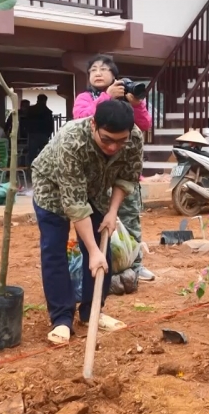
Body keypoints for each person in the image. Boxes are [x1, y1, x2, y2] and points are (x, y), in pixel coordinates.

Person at [32, 100, 144, 344]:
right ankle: (61, 318)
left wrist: (112, 212)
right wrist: (92, 250)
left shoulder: (134, 138)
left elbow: (126, 178)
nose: (114, 147)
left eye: (120, 141)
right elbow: (74, 202)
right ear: (93, 124)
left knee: (103, 251)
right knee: (54, 249)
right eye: (106, 140)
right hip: (51, 188)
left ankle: (92, 312)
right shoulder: (71, 139)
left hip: (95, 190)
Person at [72, 55, 156, 282]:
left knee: (130, 219)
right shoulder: (85, 98)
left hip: (124, 173)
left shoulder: (127, 98)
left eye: (104, 69)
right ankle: (100, 266)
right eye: (93, 70)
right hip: (95, 175)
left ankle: (136, 265)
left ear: (115, 76)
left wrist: (136, 105)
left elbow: (144, 125)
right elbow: (81, 118)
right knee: (96, 222)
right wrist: (106, 98)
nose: (98, 73)